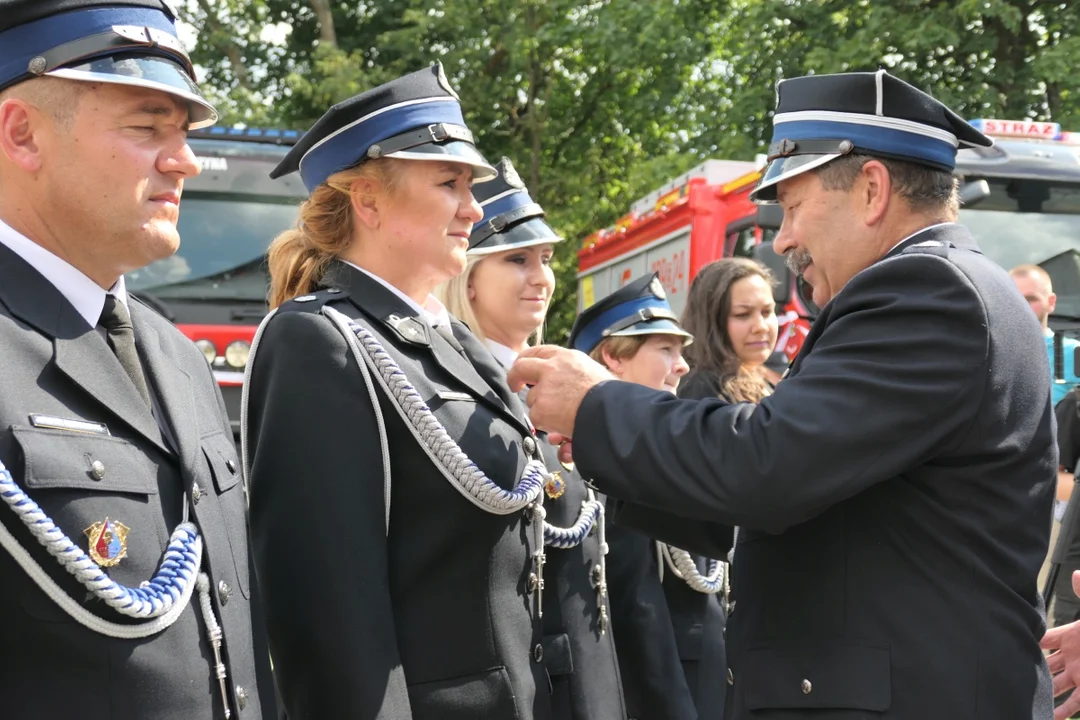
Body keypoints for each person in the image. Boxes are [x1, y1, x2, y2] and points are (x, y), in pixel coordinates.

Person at [507, 69, 1057, 719]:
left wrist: (599, 404)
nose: (783, 238)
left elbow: (765, 465)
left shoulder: (926, 293)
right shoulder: (939, 288)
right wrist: (608, 448)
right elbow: (798, 506)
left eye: (792, 206)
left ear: (872, 190)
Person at [244, 65, 556, 719]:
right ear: (369, 200)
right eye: (450, 183)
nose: (474, 208)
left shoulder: (457, 345)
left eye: (471, 186)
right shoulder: (318, 340)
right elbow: (328, 618)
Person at [0, 1, 275, 718]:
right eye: (149, 128)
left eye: (182, 132)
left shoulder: (175, 356)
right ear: (22, 135)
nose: (183, 159)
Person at [435, 156, 626, 720]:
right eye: (517, 260)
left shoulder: (562, 383)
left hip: (592, 674)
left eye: (545, 259)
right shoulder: (454, 397)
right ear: (467, 278)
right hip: (529, 685)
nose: (542, 277)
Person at [565, 272, 715, 720]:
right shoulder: (599, 462)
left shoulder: (664, 446)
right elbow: (638, 612)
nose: (683, 364)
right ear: (613, 356)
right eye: (666, 349)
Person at [1011, 264, 1080, 407]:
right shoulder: (987, 354)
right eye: (1013, 298)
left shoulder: (1073, 355)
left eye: (1030, 299)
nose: (1021, 305)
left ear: (1051, 302)